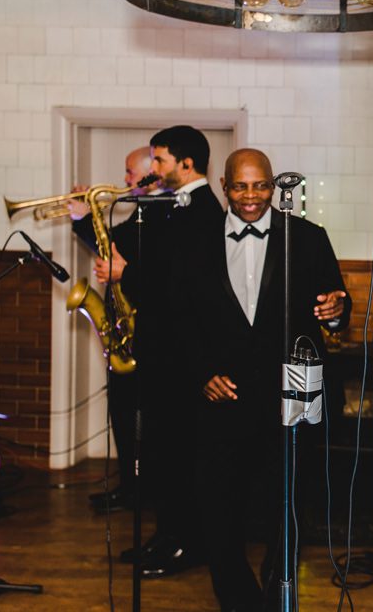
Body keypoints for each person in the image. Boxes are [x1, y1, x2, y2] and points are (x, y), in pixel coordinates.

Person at [190, 148, 348, 612]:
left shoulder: (308, 238)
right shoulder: (195, 242)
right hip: (222, 402)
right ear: (224, 186)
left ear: (274, 185)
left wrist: (336, 314)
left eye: (261, 185)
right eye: (241, 186)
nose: (252, 196)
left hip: (288, 402)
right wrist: (202, 374)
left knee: (290, 506)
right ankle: (237, 600)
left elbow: (337, 307)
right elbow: (180, 321)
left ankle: (277, 588)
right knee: (219, 510)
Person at [110, 125, 226, 575]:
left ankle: (184, 544)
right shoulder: (176, 207)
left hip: (182, 358)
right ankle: (166, 536)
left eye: (158, 160)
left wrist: (128, 276)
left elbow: (180, 287)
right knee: (162, 454)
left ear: (186, 163)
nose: (153, 169)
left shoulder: (201, 212)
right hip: (162, 353)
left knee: (180, 457)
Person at [64, 146, 157, 514]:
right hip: (123, 330)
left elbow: (124, 258)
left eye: (131, 172)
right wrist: (83, 218)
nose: (126, 179)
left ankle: (144, 490)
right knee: (121, 413)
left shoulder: (161, 219)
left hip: (146, 334)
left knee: (144, 422)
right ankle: (131, 487)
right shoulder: (138, 216)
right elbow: (107, 246)